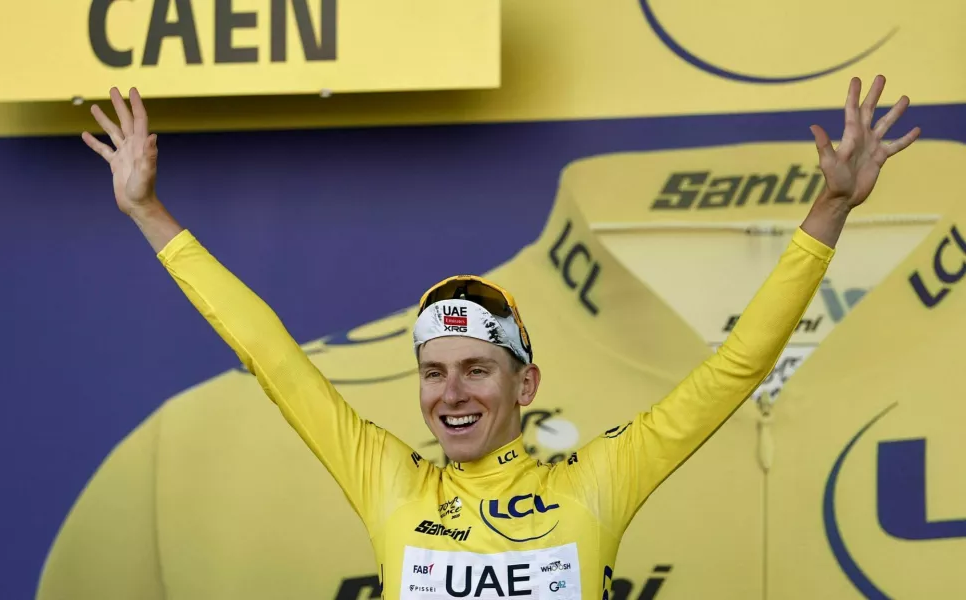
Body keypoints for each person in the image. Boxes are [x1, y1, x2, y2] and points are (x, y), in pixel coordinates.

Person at [82, 75, 919, 599]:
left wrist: (831, 207)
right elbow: (269, 354)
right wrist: (149, 213)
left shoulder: (597, 480)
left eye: (477, 369)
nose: (450, 393)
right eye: (433, 371)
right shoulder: (389, 483)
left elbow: (736, 366)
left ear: (525, 384)